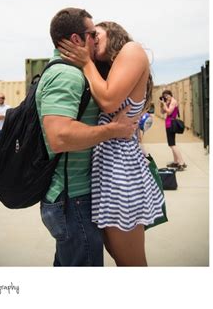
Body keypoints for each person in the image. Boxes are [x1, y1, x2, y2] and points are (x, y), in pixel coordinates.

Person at [37, 8, 139, 267]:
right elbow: (60, 136)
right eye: (92, 33)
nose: (95, 38)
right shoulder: (68, 75)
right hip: (73, 199)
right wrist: (112, 130)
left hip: (78, 196)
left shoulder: (80, 73)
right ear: (76, 39)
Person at [59, 20, 166, 266]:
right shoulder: (106, 69)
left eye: (95, 34)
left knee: (132, 264)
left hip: (121, 173)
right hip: (107, 173)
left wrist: (86, 62)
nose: (90, 40)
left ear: (113, 31)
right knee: (121, 260)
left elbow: (108, 101)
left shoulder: (132, 50)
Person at [159, 89, 187, 171]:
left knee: (172, 145)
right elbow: (162, 112)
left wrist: (165, 104)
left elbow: (169, 112)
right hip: (168, 124)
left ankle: (181, 163)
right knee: (172, 144)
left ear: (171, 95)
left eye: (168, 95)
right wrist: (163, 104)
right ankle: (176, 162)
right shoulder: (169, 102)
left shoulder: (173, 101)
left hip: (171, 124)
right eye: (165, 96)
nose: (167, 97)